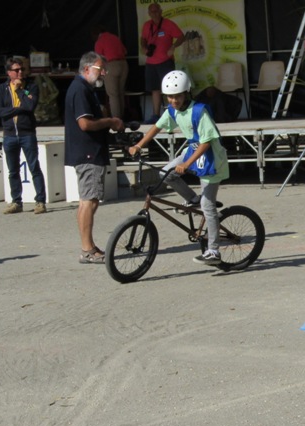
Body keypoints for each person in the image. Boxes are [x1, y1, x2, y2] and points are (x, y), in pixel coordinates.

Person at [128, 70, 230, 266]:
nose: (174, 100)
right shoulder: (173, 110)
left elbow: (207, 142)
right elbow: (156, 127)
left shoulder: (199, 111)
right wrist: (139, 145)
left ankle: (213, 251)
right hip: (192, 151)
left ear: (186, 93)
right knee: (165, 174)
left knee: (208, 206)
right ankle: (192, 199)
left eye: (178, 96)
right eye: (170, 97)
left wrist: (187, 164)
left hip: (211, 158)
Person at [65, 52, 124, 264]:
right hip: (87, 153)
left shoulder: (83, 88)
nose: (104, 73)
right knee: (89, 202)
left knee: (88, 201)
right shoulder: (80, 89)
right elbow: (85, 124)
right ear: (87, 69)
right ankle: (87, 249)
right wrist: (110, 121)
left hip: (89, 152)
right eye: (101, 69)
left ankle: (88, 247)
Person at [0, 57, 47, 215]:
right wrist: (18, 109)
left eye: (22, 69)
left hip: (27, 133)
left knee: (34, 167)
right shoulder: (1, 89)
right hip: (9, 134)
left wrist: (19, 90)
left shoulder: (30, 87)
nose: (20, 73)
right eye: (16, 70)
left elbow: (30, 106)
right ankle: (16, 201)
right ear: (9, 72)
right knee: (13, 170)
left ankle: (40, 201)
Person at [140, 3, 185, 124]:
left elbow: (181, 36)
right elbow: (143, 39)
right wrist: (144, 48)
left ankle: (174, 113)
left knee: (170, 88)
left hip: (165, 61)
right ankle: (156, 115)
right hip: (151, 62)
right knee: (154, 89)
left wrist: (173, 46)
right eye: (152, 12)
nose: (155, 14)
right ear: (149, 13)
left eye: (156, 11)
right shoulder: (147, 25)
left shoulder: (168, 24)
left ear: (161, 11)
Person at [91, 24, 128, 119]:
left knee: (113, 95)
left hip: (111, 66)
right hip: (123, 64)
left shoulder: (99, 41)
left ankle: (116, 119)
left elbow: (98, 59)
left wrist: (97, 73)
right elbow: (125, 51)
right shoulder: (115, 37)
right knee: (120, 93)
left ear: (95, 34)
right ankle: (122, 118)